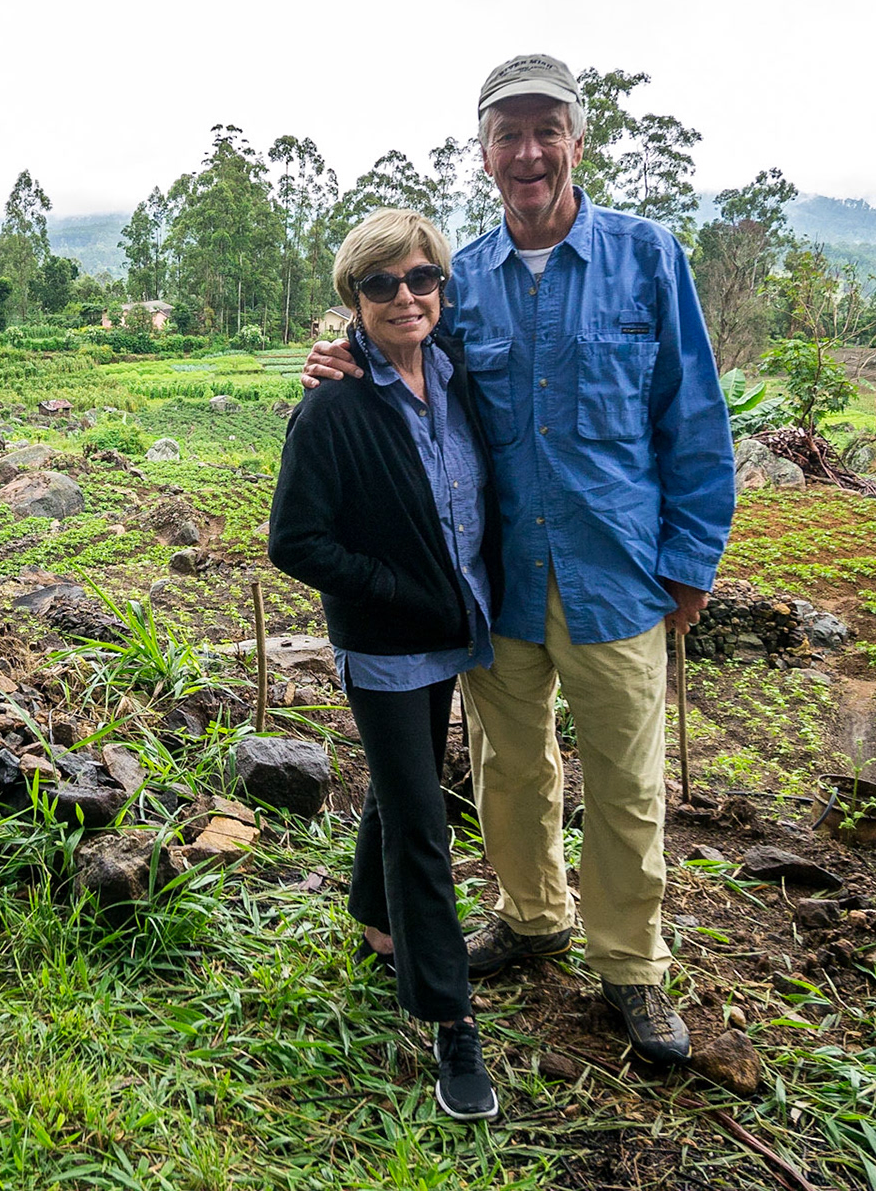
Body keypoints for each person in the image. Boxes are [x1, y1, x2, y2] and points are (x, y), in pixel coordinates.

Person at [301, 54, 735, 1065]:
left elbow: (695, 420)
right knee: (509, 770)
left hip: (619, 575)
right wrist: (334, 364)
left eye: (547, 130)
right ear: (486, 152)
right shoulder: (466, 283)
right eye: (508, 134)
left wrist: (691, 560)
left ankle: (631, 965)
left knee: (625, 786)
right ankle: (532, 915)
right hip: (497, 585)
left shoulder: (647, 259)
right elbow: (398, 354)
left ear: (578, 142)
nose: (528, 152)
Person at [269, 208, 504, 1122]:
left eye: (421, 279)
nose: (405, 296)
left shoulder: (458, 379)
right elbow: (295, 541)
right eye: (381, 284)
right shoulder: (332, 406)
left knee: (404, 785)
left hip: (458, 627)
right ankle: (450, 1019)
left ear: (442, 286)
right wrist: (396, 588)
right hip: (384, 642)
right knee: (423, 819)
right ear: (353, 301)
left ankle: (375, 917)